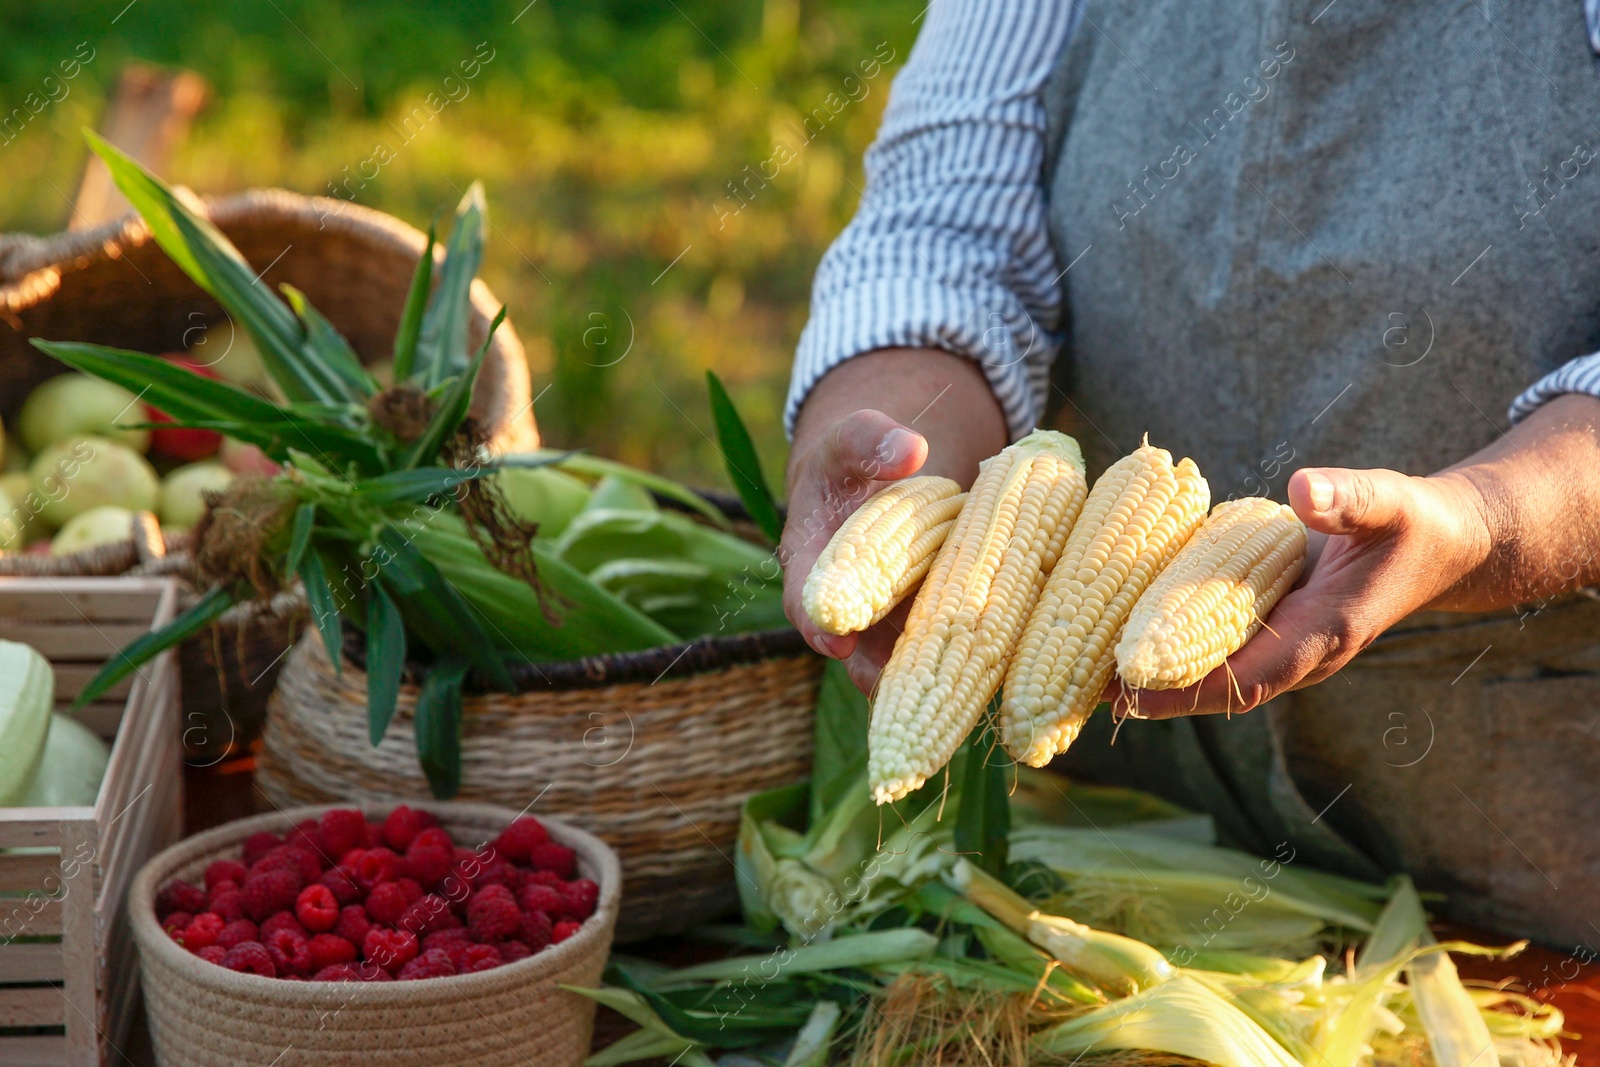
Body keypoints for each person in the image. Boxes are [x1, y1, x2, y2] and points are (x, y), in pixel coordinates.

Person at [779, 0, 1600, 948]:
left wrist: (1483, 521)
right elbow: (944, 231)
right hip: (1130, 810)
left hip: (1530, 831)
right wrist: (887, 452)